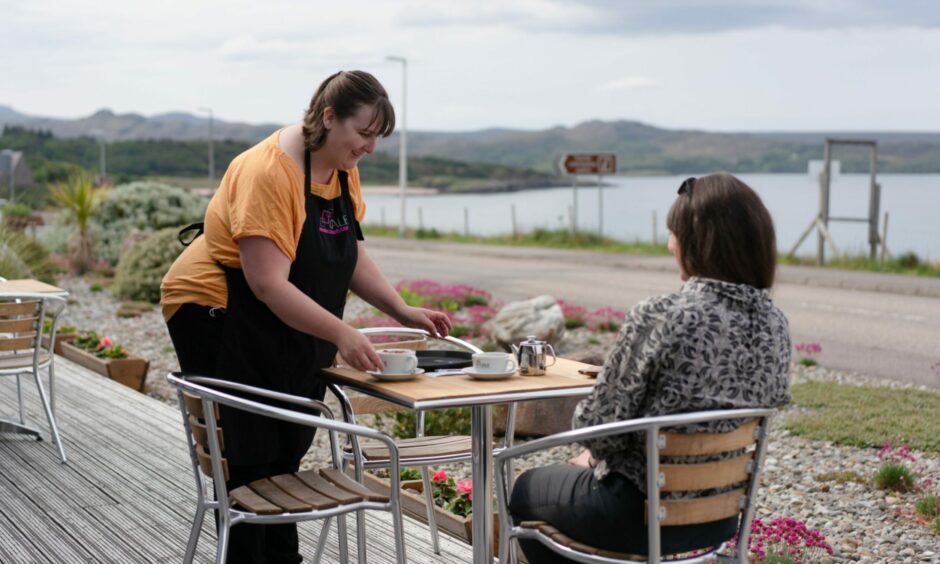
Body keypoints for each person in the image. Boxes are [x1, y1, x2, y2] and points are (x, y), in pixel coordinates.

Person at [160, 70, 451, 564]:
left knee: (288, 447)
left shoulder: (339, 165)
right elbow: (266, 283)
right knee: (248, 456)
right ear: (328, 116)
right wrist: (341, 332)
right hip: (215, 309)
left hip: (279, 312)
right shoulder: (268, 172)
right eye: (364, 134)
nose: (370, 149)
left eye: (377, 138)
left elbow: (349, 252)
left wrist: (401, 308)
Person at [508, 172, 792, 562]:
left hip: (637, 515)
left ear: (696, 241)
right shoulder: (775, 324)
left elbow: (595, 427)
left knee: (524, 490)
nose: (669, 244)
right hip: (720, 518)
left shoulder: (662, 315)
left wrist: (594, 456)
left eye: (673, 233)